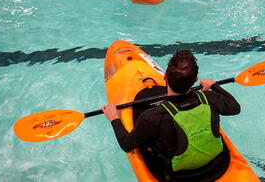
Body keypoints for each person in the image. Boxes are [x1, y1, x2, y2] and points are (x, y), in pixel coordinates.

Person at [102, 50, 241, 181]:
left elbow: (127, 144)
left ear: (165, 77)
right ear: (196, 79)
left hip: (180, 177)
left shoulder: (152, 117)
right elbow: (235, 108)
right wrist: (214, 85)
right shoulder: (210, 99)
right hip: (219, 164)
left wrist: (114, 118)